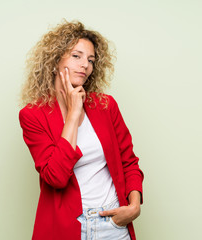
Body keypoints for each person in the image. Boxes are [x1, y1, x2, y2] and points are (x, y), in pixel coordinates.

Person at [18, 19, 144, 240]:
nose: (85, 65)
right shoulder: (32, 116)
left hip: (113, 224)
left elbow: (129, 161)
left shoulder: (106, 106)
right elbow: (55, 177)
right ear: (56, 60)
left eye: (90, 59)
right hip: (68, 228)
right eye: (76, 56)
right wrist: (73, 114)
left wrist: (134, 206)